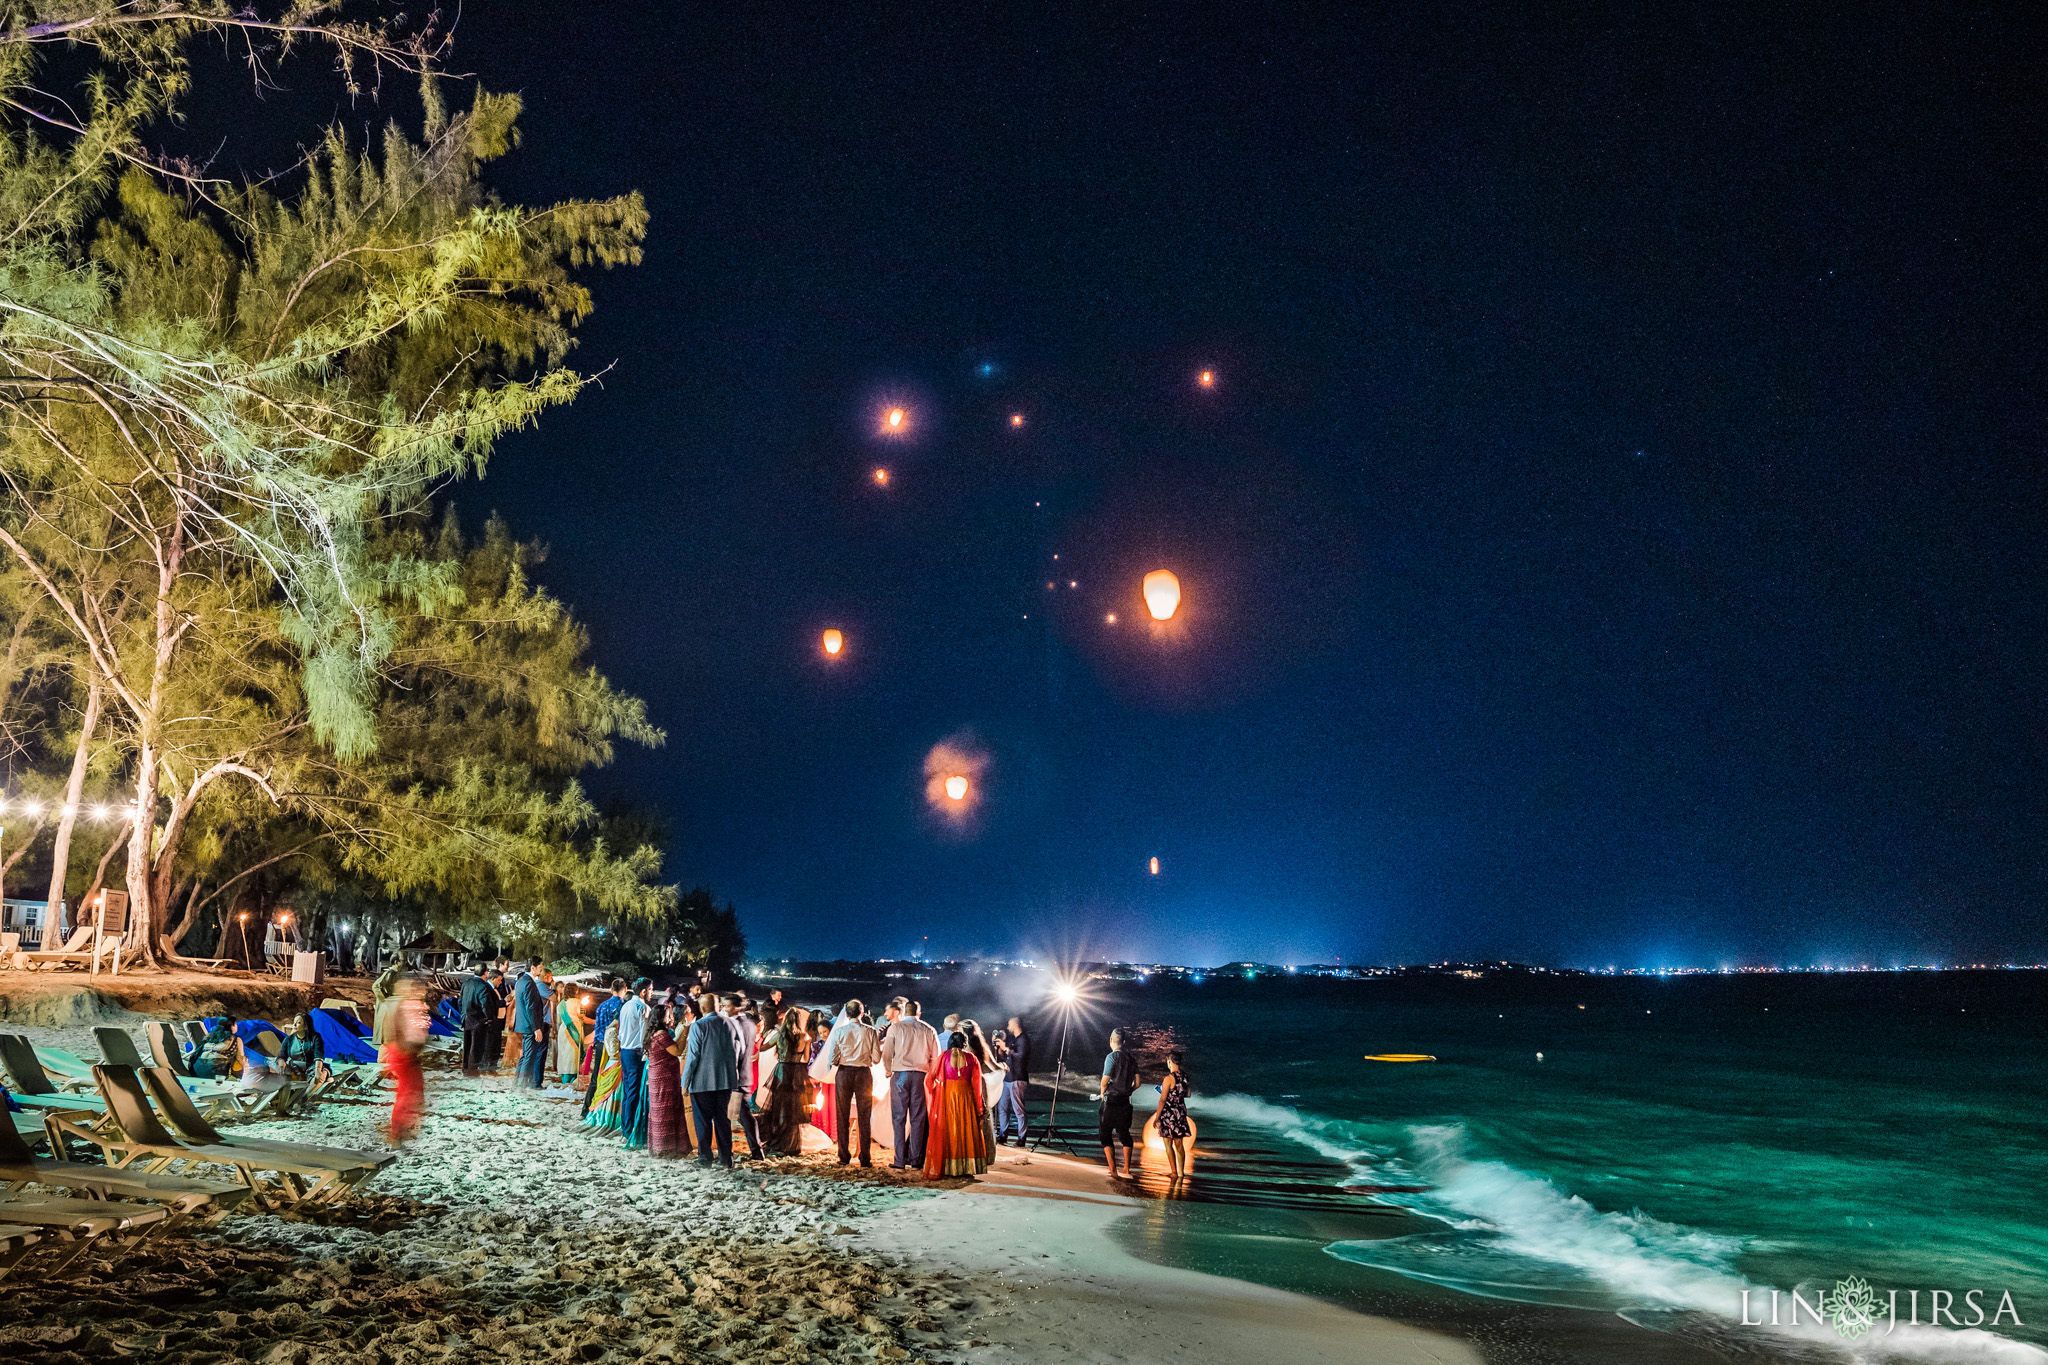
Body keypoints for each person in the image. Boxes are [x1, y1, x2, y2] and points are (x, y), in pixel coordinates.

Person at [924, 1028, 994, 1178]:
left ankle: (948, 1166)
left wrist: (936, 1093)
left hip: (948, 1098)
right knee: (965, 1129)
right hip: (966, 1097)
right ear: (964, 1043)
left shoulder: (943, 1057)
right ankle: (965, 1167)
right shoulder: (971, 1058)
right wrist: (980, 1108)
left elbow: (929, 1079)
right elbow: (977, 1085)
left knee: (950, 1130)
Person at [880, 996, 940, 1169]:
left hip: (900, 1075)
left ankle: (899, 1160)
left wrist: (887, 1069)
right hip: (921, 1075)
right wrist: (932, 1075)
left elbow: (887, 1053)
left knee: (898, 1118)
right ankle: (915, 1159)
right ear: (919, 1013)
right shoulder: (928, 1029)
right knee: (918, 1119)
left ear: (905, 1011)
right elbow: (936, 1056)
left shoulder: (896, 1028)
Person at [683, 991, 739, 1167]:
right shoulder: (730, 1024)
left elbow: (693, 1057)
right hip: (724, 1081)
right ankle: (725, 1157)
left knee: (703, 1121)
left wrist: (685, 1082)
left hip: (702, 1081)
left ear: (701, 1007)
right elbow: (736, 1052)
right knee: (723, 1120)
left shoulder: (699, 1026)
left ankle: (705, 1156)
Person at [823, 999, 882, 1167]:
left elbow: (833, 1059)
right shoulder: (870, 1031)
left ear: (846, 1014)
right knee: (865, 1115)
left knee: (842, 1115)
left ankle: (843, 1156)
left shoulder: (839, 1031)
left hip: (844, 1073)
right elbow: (877, 1059)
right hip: (863, 1073)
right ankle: (865, 1157)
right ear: (862, 1013)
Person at [373, 976, 430, 1146]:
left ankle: (405, 1131)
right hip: (404, 1054)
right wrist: (406, 1049)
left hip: (410, 1054)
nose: (422, 992)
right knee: (406, 1095)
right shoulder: (404, 1007)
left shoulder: (415, 1006)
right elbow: (397, 1031)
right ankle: (397, 1135)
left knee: (414, 1093)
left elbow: (420, 1030)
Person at [757, 1005, 810, 1156]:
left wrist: (762, 1035)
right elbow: (805, 1059)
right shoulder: (805, 1037)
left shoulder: (779, 1036)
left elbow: (762, 1048)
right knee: (794, 1108)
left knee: (779, 1107)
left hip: (781, 1071)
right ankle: (792, 1144)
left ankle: (779, 1140)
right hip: (796, 1072)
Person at [721, 994, 765, 1161]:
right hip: (746, 1073)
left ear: (737, 1007)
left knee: (739, 1113)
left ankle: (754, 1150)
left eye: (727, 1006)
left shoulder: (734, 1024)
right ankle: (755, 1149)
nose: (725, 1009)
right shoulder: (749, 1024)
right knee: (741, 1113)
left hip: (735, 1075)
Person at [581, 979, 629, 1118]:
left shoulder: (602, 1006)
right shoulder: (623, 1006)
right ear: (624, 989)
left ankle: (587, 1108)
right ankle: (608, 1108)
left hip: (601, 1044)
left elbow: (598, 1027)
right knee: (614, 1077)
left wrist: (596, 1043)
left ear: (610, 989)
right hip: (615, 1045)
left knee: (596, 1076)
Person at [644, 1013, 688, 1158]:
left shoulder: (652, 1033)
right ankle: (666, 1147)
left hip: (656, 1075)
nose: (671, 1018)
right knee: (666, 1110)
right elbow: (677, 1051)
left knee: (658, 1110)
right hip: (665, 1078)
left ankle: (659, 1146)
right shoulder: (663, 1035)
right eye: (668, 1015)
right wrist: (685, 1033)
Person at [1097, 1027, 1140, 1177]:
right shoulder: (1131, 1059)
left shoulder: (1111, 1057)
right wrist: (1128, 1090)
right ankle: (1126, 1169)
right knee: (1124, 1134)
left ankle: (1113, 1169)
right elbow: (1138, 1083)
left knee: (1105, 1133)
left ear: (1111, 1040)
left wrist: (1102, 1094)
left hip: (1112, 1100)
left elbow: (1104, 1081)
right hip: (1125, 1101)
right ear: (1124, 1042)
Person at [616, 978, 653, 1142]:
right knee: (634, 1091)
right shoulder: (643, 1008)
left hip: (625, 1050)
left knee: (627, 1090)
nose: (652, 993)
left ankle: (626, 1126)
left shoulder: (625, 1006)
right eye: (651, 990)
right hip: (636, 1052)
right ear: (644, 991)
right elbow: (645, 1034)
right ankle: (629, 1128)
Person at [513, 957, 552, 1089]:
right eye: (540, 968)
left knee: (526, 1056)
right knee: (529, 1056)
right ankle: (522, 1085)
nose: (541, 971)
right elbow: (530, 1007)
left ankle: (517, 1083)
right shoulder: (528, 982)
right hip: (530, 1025)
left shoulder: (522, 981)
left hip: (525, 1024)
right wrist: (536, 1028)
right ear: (533, 968)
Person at [994, 1016, 1031, 1145]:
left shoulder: (1023, 1040)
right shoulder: (1014, 1040)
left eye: (1009, 1024)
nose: (1008, 1027)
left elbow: (1020, 1057)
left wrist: (1006, 1049)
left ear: (1015, 1025)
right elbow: (1006, 1057)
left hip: (1017, 1079)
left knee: (1018, 1110)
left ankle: (1022, 1138)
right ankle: (1003, 1134)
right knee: (1002, 1107)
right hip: (1008, 1079)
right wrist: (1000, 1048)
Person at [1157, 1049, 1193, 1180]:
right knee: (1179, 1144)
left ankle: (1173, 1171)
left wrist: (1157, 1117)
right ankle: (1181, 1172)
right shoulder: (1185, 1077)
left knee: (1168, 1144)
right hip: (1181, 1112)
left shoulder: (1168, 1078)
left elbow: (1162, 1099)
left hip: (1169, 1113)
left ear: (1170, 1062)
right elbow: (1188, 1094)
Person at [278, 1013, 331, 1091]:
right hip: (295, 1067)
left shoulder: (315, 1037)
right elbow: (282, 1056)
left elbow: (318, 1055)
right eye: (294, 1023)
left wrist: (317, 1070)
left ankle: (303, 1098)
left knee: (319, 1077)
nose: (295, 1025)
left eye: (298, 1023)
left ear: (306, 1026)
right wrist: (281, 1064)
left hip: (311, 1066)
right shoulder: (289, 1039)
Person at [458, 965, 495, 1076]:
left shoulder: (466, 983)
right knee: (476, 1046)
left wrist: (463, 1013)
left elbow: (460, 1001)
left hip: (466, 1018)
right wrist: (489, 1018)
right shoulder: (483, 986)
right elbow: (485, 1004)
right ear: (485, 973)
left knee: (467, 1044)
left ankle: (465, 1068)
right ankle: (472, 1070)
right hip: (478, 1020)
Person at [807, 1017, 837, 1140]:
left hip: (832, 1080)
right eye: (821, 1033)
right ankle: (821, 1131)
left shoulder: (835, 1044)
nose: (823, 1035)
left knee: (832, 1106)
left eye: (825, 1031)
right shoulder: (816, 1045)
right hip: (820, 1081)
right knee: (821, 1106)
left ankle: (833, 1134)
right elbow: (812, 1062)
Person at [553, 977, 585, 1085]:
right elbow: (581, 1017)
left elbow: (558, 1021)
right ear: (575, 991)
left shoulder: (561, 1004)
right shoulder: (577, 1002)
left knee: (564, 1055)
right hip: (574, 1029)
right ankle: (572, 1079)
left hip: (563, 1030)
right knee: (573, 1056)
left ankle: (564, 1079)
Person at [482, 969, 508, 1074]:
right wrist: (503, 1003)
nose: (500, 982)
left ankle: (492, 1065)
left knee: (496, 1044)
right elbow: (490, 1004)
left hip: (498, 1022)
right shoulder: (487, 989)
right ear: (492, 979)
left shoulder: (495, 989)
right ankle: (487, 1066)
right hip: (492, 1022)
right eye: (499, 980)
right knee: (489, 1045)